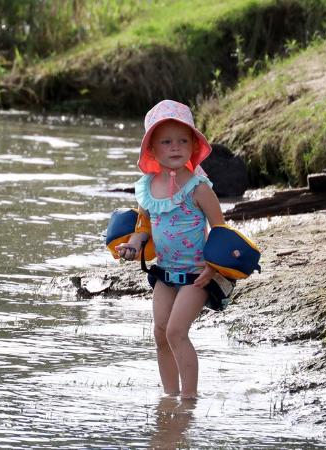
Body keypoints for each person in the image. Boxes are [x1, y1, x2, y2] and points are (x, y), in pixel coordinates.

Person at [114, 99, 224, 399]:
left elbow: (220, 229)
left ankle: (189, 400)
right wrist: (133, 245)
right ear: (152, 149)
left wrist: (212, 267)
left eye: (182, 141)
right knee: (160, 333)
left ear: (193, 146)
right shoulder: (147, 189)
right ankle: (169, 397)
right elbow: (144, 228)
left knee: (176, 332)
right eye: (166, 141)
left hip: (197, 274)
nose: (175, 147)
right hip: (165, 273)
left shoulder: (199, 188)